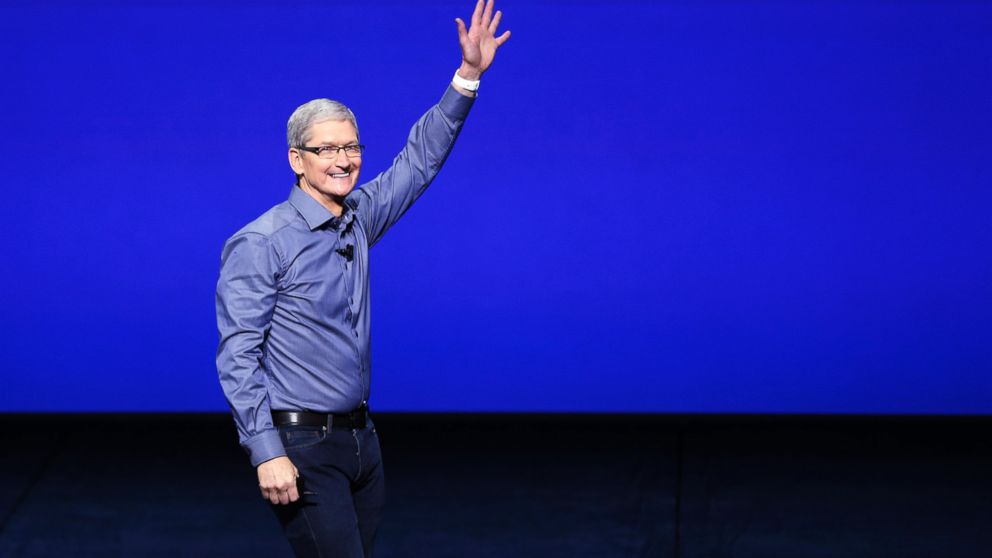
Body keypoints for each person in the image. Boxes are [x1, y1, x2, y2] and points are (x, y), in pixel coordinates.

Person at [214, 2, 509, 556]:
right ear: (296, 160)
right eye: (328, 149)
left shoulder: (358, 216)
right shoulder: (261, 242)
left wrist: (467, 77)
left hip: (360, 440)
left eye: (352, 146)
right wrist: (266, 450)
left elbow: (416, 163)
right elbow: (238, 356)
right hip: (300, 445)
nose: (345, 160)